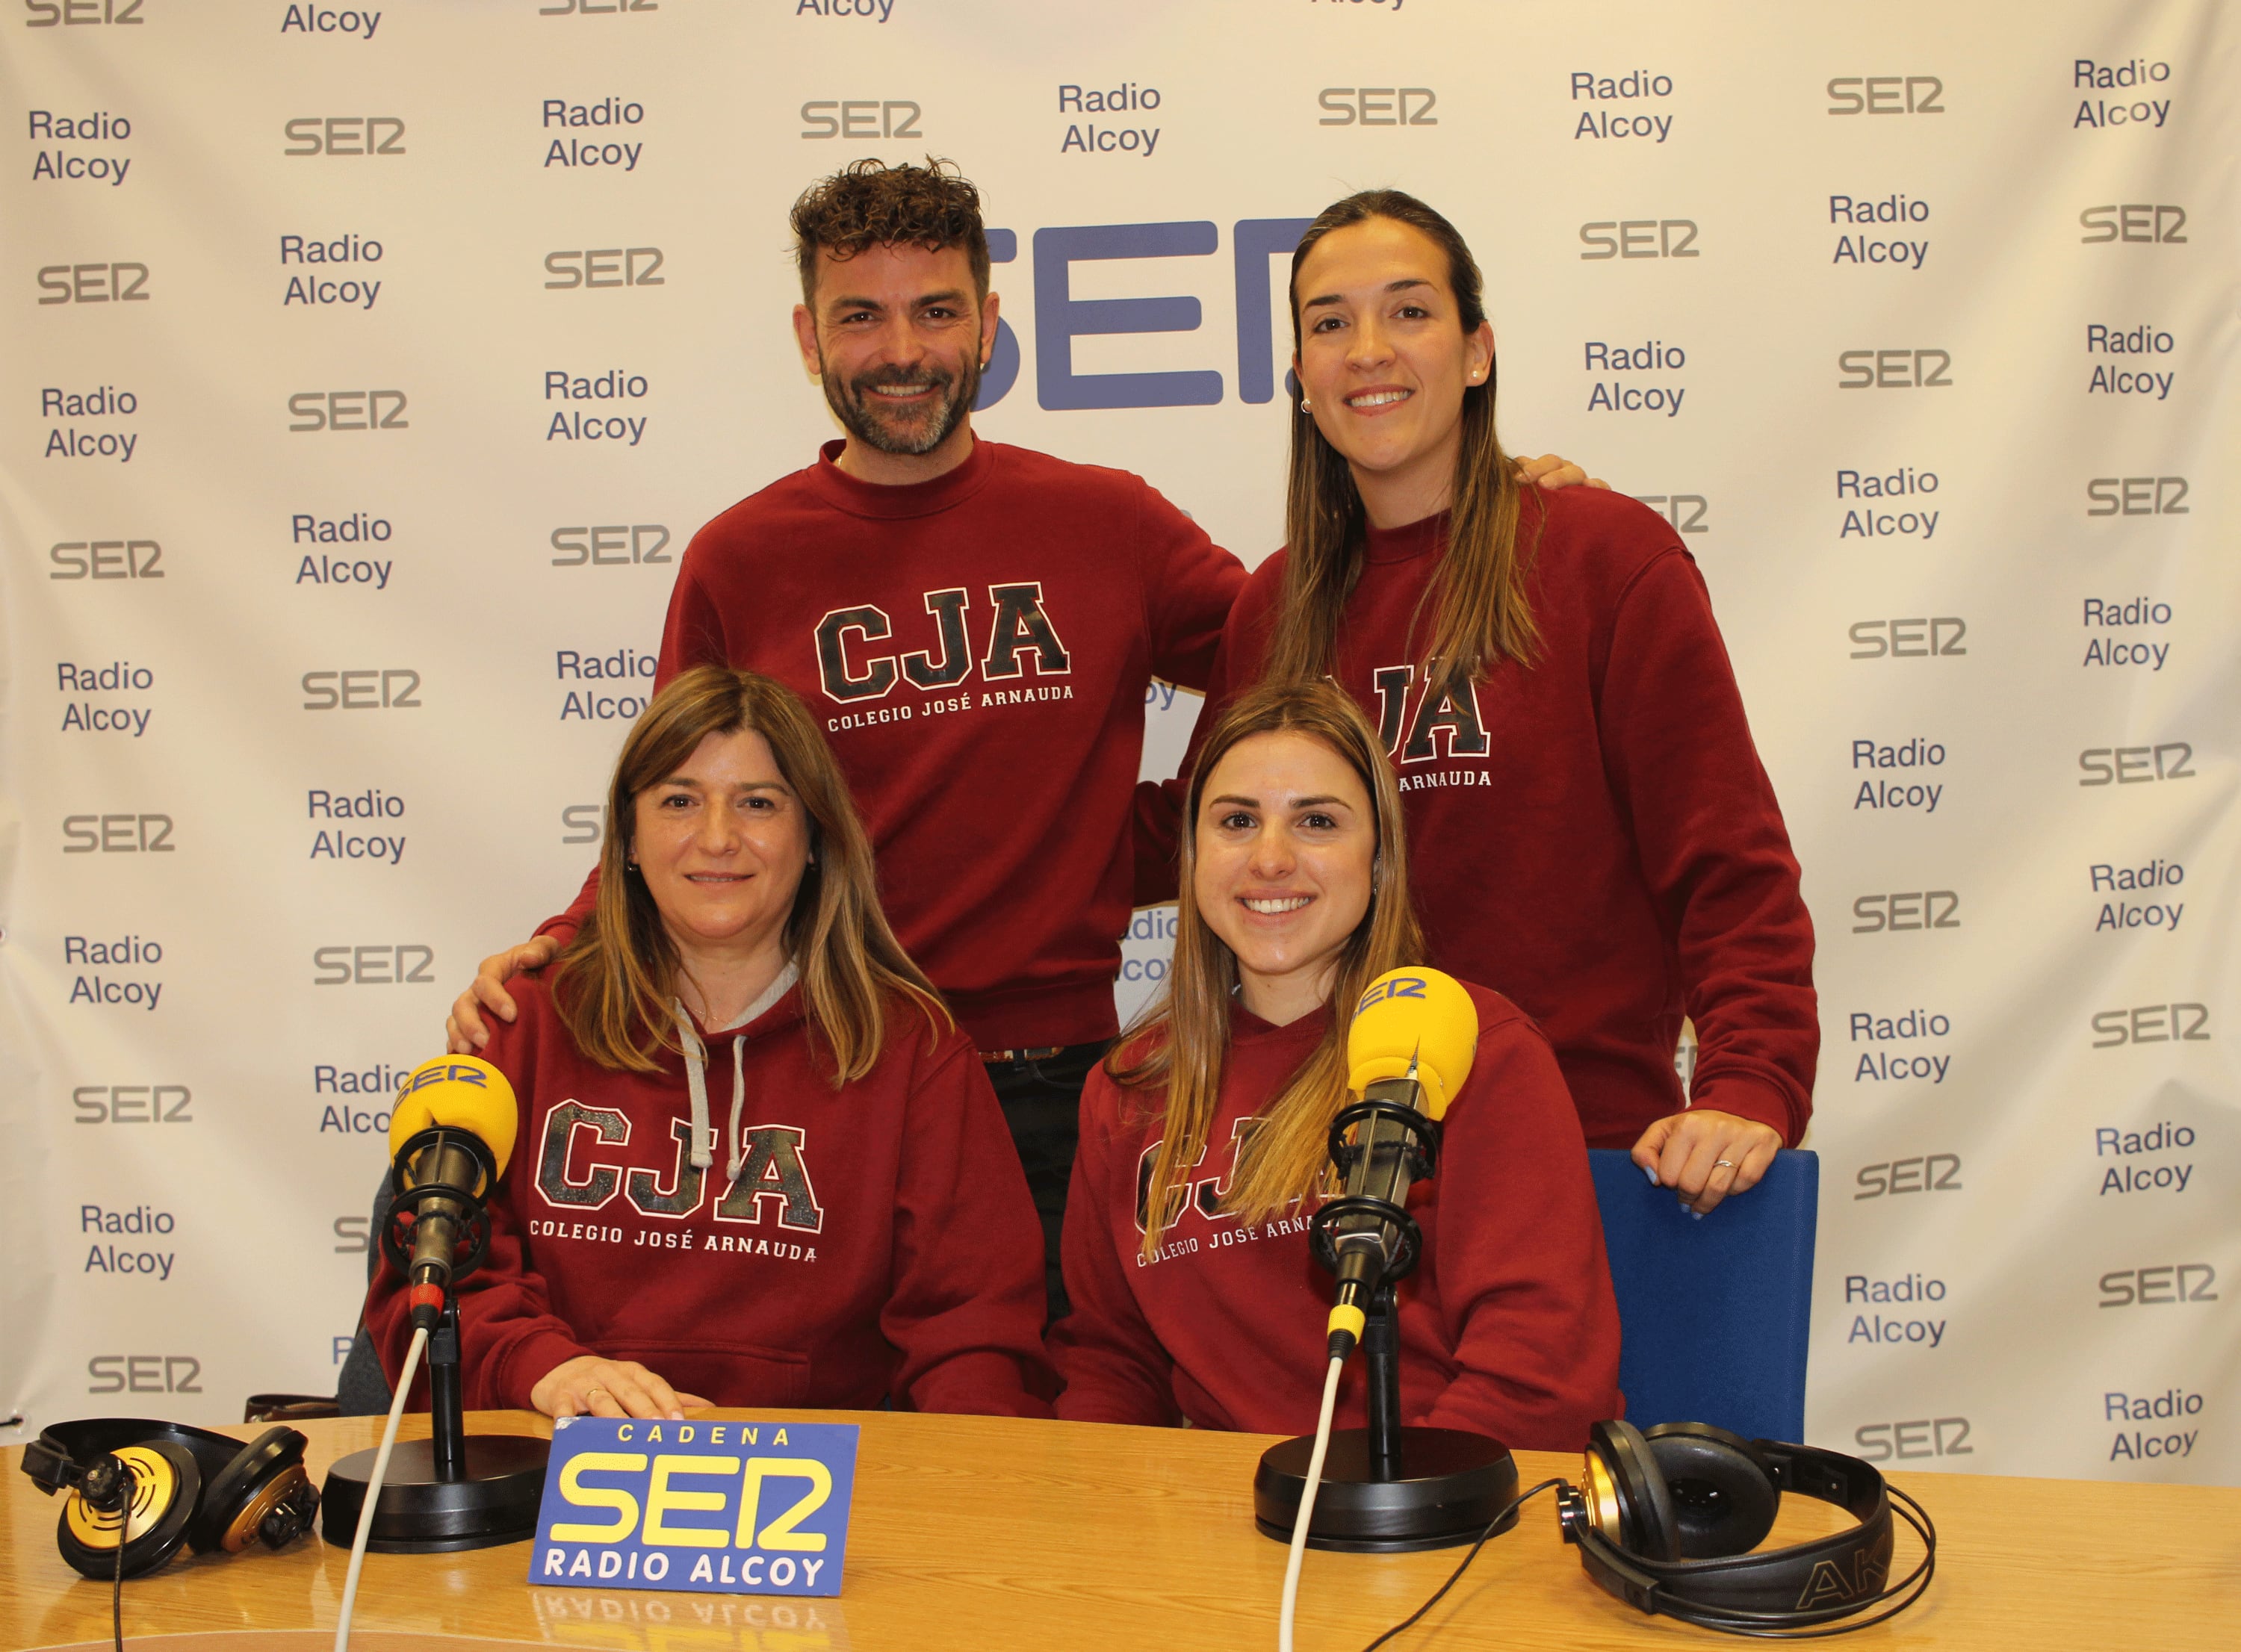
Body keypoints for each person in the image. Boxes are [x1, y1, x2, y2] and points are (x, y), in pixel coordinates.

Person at [445, 160, 1602, 1313]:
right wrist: (559, 941)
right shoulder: (740, 562)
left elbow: (1310, 654)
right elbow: (675, 802)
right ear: (809, 336)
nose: (903, 349)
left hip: (1053, 1092)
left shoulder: (1106, 524)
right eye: (862, 317)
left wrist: (1476, 521)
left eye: (937, 310)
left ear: (990, 324)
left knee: (1042, 1449)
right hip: (834, 1075)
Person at [1138, 190, 1816, 1216]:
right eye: (1330, 323)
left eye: (1408, 312)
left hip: (1579, 1157)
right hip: (1330, 1172)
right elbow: (1222, 865)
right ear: (1299, 378)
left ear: (1478, 351)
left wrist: (1751, 1081)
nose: (1368, 349)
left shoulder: (1602, 558)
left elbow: (1724, 858)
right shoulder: (1274, 611)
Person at [365, 665, 1052, 1420]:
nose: (718, 838)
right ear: (627, 839)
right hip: (547, 1467)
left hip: (812, 1498)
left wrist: (962, 1492)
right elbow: (423, 1285)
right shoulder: (519, 1023)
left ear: (815, 837)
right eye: (679, 801)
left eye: (757, 803)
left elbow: (973, 1330)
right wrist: (550, 1371)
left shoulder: (911, 1052)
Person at [1053, 681, 1620, 1447]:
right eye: (1236, 821)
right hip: (1223, 1530)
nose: (1272, 858)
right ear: (1191, 857)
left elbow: (1540, 1377)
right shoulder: (1130, 1088)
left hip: (1439, 1514)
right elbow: (1111, 1368)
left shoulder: (1472, 1046)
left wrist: (1380, 1513)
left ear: (1381, 859)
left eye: (1316, 821)